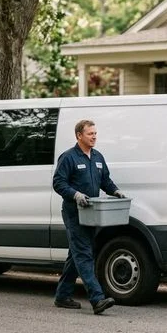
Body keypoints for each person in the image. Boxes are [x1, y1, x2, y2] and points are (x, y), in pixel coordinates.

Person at [52, 119, 125, 315]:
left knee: (77, 254)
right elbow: (58, 183)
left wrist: (116, 192)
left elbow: (105, 180)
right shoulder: (68, 158)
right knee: (84, 254)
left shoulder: (98, 157)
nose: (94, 137)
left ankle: (62, 295)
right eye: (90, 134)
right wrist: (75, 195)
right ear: (79, 136)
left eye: (95, 133)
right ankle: (97, 298)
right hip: (74, 213)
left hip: (92, 213)